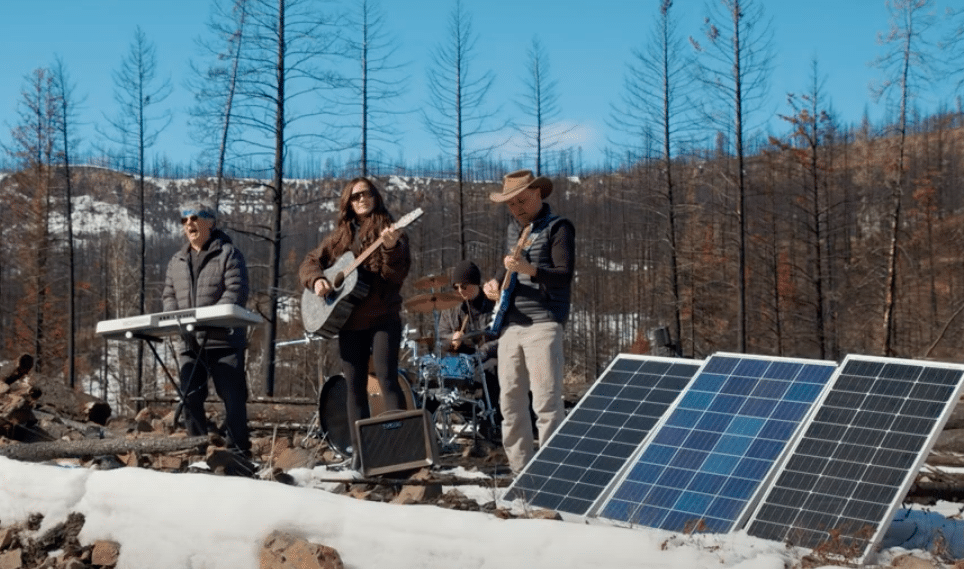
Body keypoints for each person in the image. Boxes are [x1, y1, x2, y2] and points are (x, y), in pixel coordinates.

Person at [299, 177, 411, 468]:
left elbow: (395, 277)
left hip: (383, 318)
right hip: (349, 322)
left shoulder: (391, 229)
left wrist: (389, 248)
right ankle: (362, 455)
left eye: (367, 194)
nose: (361, 199)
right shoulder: (338, 237)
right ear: (347, 202)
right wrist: (319, 280)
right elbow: (309, 262)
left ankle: (398, 450)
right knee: (354, 388)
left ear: (376, 197)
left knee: (387, 379)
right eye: (355, 196)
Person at [483, 169, 575, 475]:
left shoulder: (559, 227)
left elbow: (563, 275)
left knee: (546, 403)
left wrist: (530, 268)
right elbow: (509, 268)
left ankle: (553, 474)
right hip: (511, 325)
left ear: (537, 193)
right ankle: (520, 472)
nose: (517, 208)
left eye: (522, 201)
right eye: (510, 204)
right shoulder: (514, 230)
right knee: (509, 404)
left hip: (544, 322)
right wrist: (495, 282)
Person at [162, 201, 251, 455]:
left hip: (224, 341)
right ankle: (197, 450)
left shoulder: (228, 254)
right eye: (184, 220)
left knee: (232, 398)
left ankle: (239, 452)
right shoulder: (176, 261)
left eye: (194, 217)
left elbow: (236, 291)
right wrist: (177, 319)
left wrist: (211, 319)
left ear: (210, 222)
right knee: (190, 397)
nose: (189, 223)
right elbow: (168, 295)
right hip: (190, 343)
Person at [437, 260, 501, 434]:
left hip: (489, 358)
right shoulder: (451, 308)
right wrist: (452, 339)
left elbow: (503, 337)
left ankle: (490, 419)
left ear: (476, 284)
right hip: (461, 359)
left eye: (464, 287)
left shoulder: (492, 303)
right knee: (438, 372)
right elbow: (441, 336)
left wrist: (483, 352)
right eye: (456, 287)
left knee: (491, 371)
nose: (460, 291)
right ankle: (450, 416)